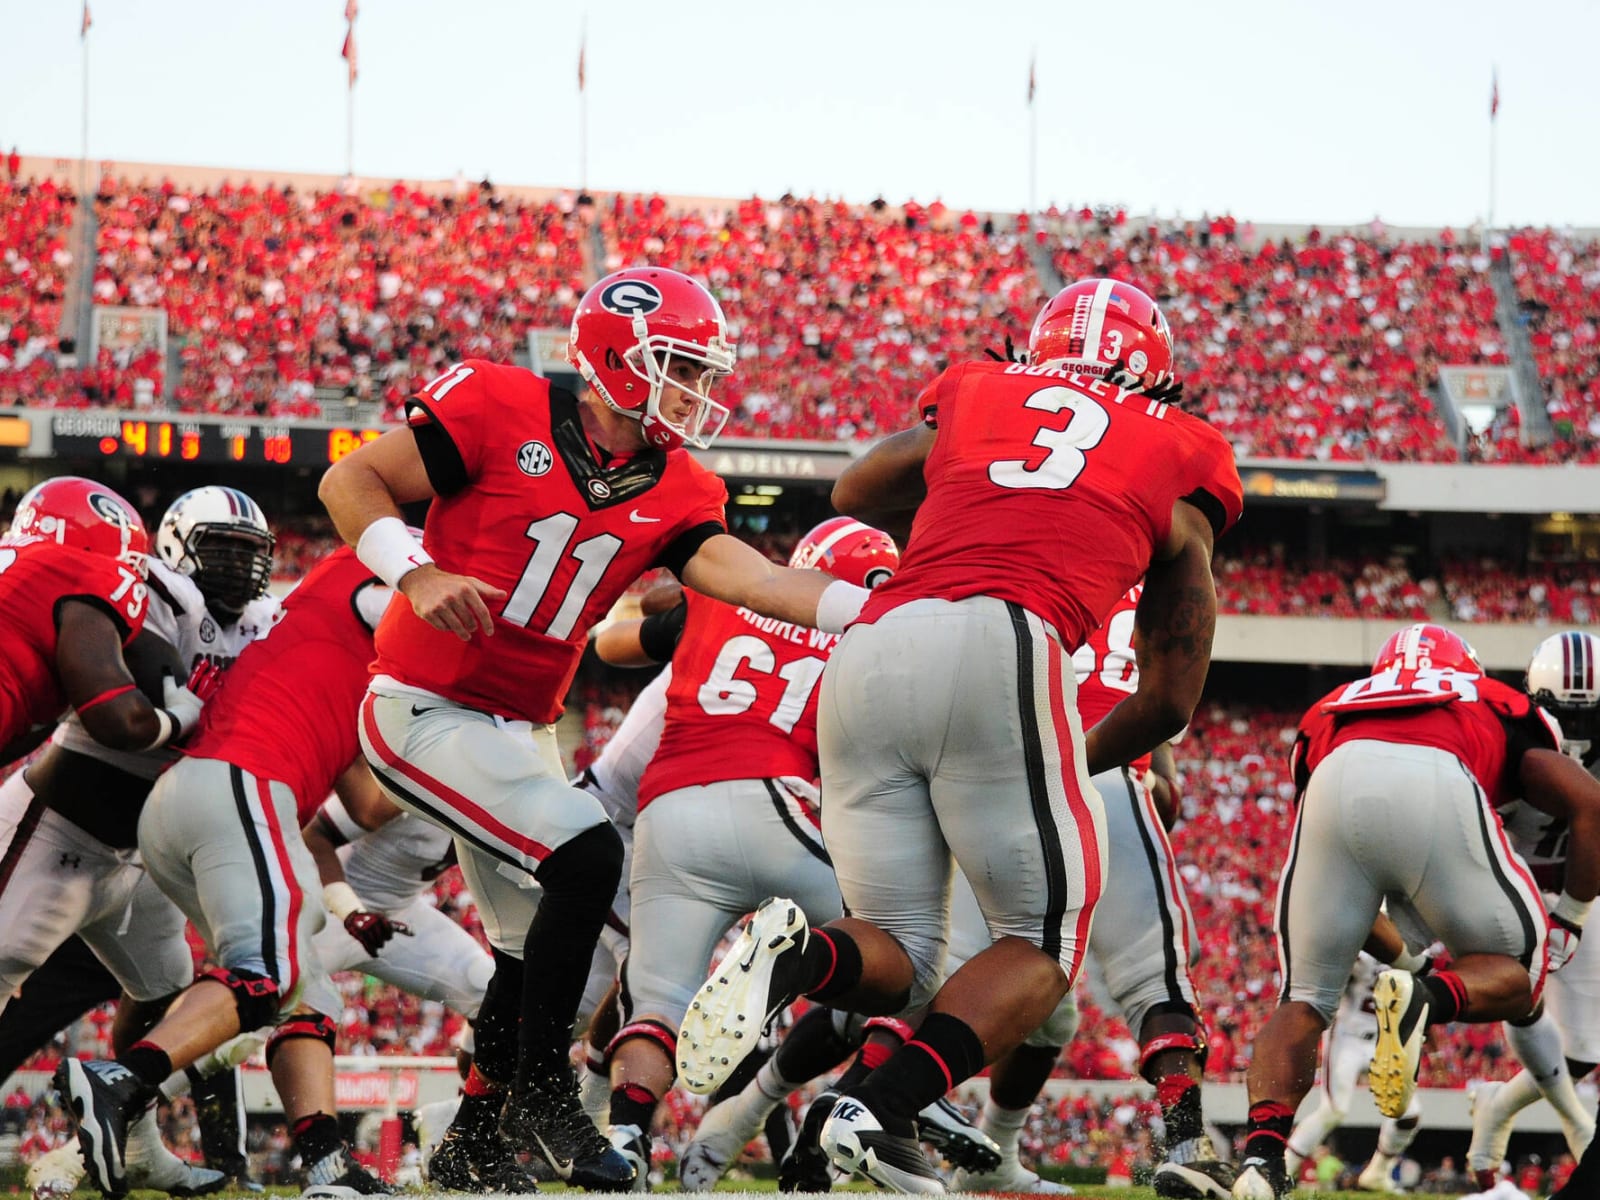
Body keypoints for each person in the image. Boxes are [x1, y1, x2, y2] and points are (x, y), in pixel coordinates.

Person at [677, 277, 1244, 1192]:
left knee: (902, 959)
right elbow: (1169, 703)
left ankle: (800, 956)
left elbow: (853, 486)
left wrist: (970, 495)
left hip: (872, 642)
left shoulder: (980, 388)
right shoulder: (1184, 450)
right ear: (1158, 371)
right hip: (1007, 643)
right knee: (1042, 946)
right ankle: (884, 1102)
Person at [317, 266, 874, 1191]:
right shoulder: (499, 401)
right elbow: (352, 482)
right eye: (682, 367)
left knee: (528, 955)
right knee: (585, 857)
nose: (699, 391)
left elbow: (757, 580)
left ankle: (467, 1143)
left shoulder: (681, 482)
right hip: (420, 701)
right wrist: (414, 574)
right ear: (621, 359)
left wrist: (870, 611)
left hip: (516, 725)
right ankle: (542, 1091)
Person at [55, 547, 403, 1200]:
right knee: (266, 971)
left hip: (192, 801)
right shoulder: (377, 588)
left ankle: (328, 1171)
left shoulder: (313, 646)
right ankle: (123, 1081)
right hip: (243, 783)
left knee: (306, 993)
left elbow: (369, 803)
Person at [1232, 622, 1600, 1200]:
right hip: (1440, 780)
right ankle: (1428, 1003)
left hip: (1331, 780)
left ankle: (1260, 1160)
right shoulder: (1490, 698)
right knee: (1521, 978)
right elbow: (1588, 801)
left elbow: (1352, 887)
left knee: (1302, 999)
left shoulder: (1333, 705)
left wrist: (1408, 959)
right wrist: (1573, 914)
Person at [589, 517, 899, 1185]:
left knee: (657, 1005)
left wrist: (676, 612)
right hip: (775, 803)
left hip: (668, 809)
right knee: (907, 959)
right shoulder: (869, 642)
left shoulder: (723, 595)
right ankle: (860, 1102)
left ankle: (625, 1141)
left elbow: (611, 644)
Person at [1468, 630, 1600, 1189]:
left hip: (1581, 884)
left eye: (1588, 717)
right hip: (1513, 882)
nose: (1574, 734)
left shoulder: (1512, 725)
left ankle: (1497, 1106)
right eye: (1562, 716)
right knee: (1522, 998)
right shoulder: (1503, 730)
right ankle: (1574, 1127)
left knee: (1586, 1049)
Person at [1284, 943, 1431, 1193]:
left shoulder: (1418, 950)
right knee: (1334, 1110)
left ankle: (1378, 1173)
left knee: (1408, 1115)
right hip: (1348, 1037)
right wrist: (1345, 963)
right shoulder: (1359, 944)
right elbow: (1324, 979)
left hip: (1386, 1040)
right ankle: (1284, 1168)